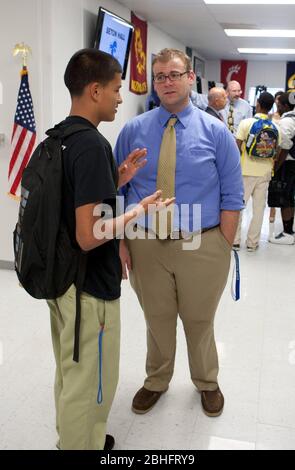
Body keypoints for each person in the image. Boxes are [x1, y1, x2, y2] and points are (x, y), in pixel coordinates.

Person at [46, 48, 173, 451]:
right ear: (96, 90)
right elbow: (89, 234)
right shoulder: (92, 146)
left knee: (71, 371)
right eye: (118, 89)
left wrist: (117, 179)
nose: (122, 97)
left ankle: (74, 438)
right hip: (89, 291)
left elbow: (75, 205)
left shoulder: (61, 137)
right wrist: (139, 209)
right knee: (92, 381)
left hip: (62, 282)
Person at [115, 48, 243, 418]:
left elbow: (232, 194)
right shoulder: (133, 130)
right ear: (154, 83)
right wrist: (123, 241)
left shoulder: (216, 132)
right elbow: (119, 189)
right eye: (159, 76)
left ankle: (207, 381)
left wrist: (222, 243)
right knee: (156, 317)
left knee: (199, 319)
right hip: (146, 243)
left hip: (201, 244)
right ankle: (156, 380)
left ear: (191, 79)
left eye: (174, 74)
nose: (166, 82)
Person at [233, 92, 280, 252]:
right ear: (271, 107)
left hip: (246, 171)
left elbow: (237, 145)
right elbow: (277, 150)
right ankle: (253, 243)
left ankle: (236, 240)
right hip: (265, 172)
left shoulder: (246, 123)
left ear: (258, 104)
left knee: (240, 206)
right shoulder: (275, 127)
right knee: (259, 209)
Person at [269, 92, 295, 244]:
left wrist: (276, 165)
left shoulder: (288, 121)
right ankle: (289, 231)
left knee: (284, 197)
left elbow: (285, 146)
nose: (277, 108)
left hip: (288, 163)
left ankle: (286, 233)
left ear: (286, 106)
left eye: (279, 105)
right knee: (290, 197)